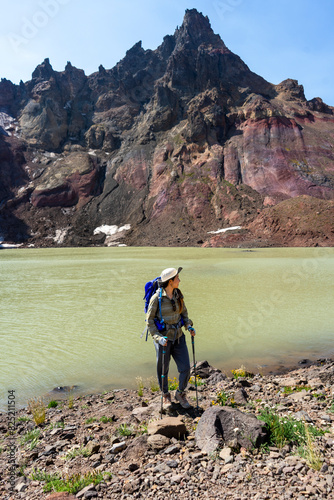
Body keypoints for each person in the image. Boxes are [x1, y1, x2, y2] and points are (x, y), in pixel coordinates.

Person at [146, 266, 196, 409]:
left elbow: (184, 314)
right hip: (164, 341)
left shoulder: (178, 295)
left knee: (186, 368)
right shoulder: (157, 299)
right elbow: (149, 321)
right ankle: (165, 395)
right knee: (163, 370)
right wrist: (158, 338)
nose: (179, 280)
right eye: (177, 278)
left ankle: (180, 393)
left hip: (179, 337)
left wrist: (189, 326)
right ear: (170, 281)